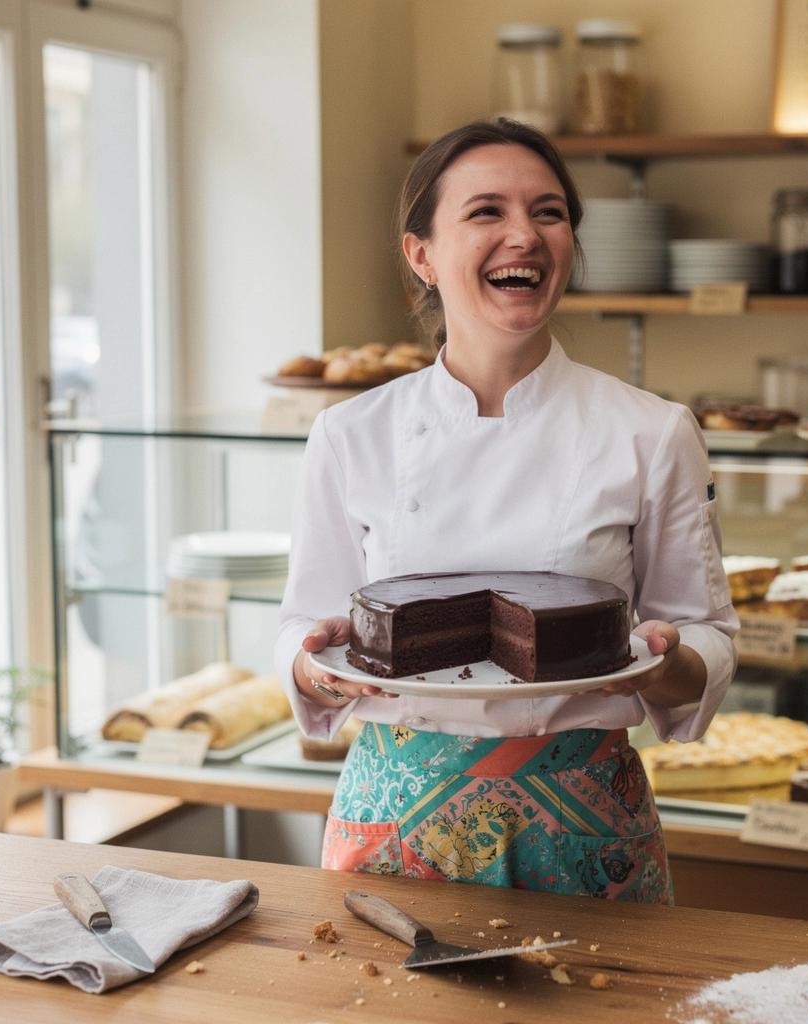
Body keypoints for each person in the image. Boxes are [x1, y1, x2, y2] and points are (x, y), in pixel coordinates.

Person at [276, 119, 738, 903]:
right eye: (487, 211)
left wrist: (666, 661)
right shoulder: (351, 433)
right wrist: (314, 670)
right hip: (393, 814)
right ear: (421, 252)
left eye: (549, 212)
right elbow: (305, 627)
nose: (524, 234)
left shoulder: (651, 431)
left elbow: (704, 633)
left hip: (585, 819)